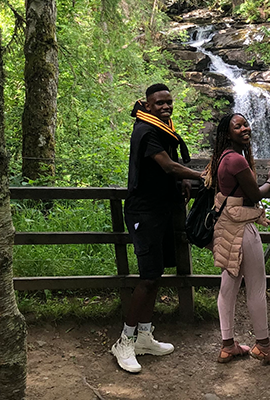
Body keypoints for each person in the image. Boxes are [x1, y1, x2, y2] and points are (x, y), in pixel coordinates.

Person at [113, 83, 203, 374]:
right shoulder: (147, 130)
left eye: (168, 102)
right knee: (148, 278)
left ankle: (144, 336)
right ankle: (124, 341)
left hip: (161, 209)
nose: (165, 107)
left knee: (156, 275)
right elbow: (166, 166)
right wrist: (203, 175)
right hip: (144, 212)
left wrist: (184, 181)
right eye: (159, 103)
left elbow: (171, 164)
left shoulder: (161, 127)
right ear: (147, 105)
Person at [207, 113, 270, 365]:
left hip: (226, 227)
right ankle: (263, 346)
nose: (245, 128)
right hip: (242, 228)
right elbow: (254, 196)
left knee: (228, 286)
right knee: (256, 287)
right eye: (237, 126)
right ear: (227, 133)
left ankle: (227, 345)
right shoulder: (236, 161)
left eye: (245, 124)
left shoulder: (222, 157)